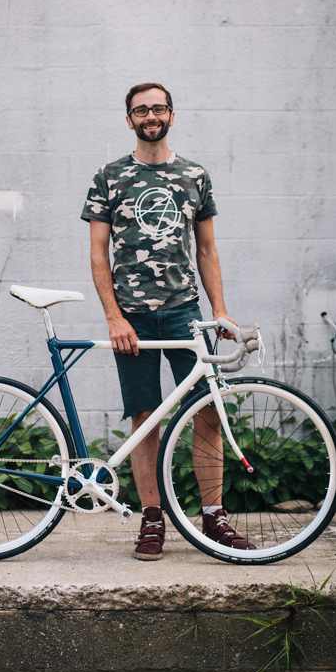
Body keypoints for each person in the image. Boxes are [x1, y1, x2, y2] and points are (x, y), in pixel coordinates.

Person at [81, 82, 256, 560]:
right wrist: (114, 317)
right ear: (129, 119)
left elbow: (206, 249)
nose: (150, 115)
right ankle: (152, 519)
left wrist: (218, 310)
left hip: (184, 314)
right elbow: (98, 255)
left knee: (207, 411)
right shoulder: (108, 176)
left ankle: (213, 516)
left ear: (171, 115)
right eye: (141, 110)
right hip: (131, 319)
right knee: (145, 418)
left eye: (158, 108)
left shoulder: (195, 175)